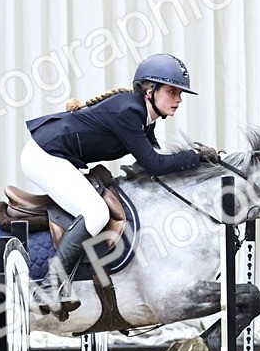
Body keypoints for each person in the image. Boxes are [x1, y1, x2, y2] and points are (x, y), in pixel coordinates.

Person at [21, 53, 219, 318]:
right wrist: (195, 156)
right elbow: (155, 165)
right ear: (150, 90)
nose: (179, 99)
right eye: (172, 91)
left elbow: (158, 165)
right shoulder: (129, 112)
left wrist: (201, 164)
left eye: (180, 93)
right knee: (96, 213)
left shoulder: (143, 118)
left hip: (56, 156)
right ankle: (49, 285)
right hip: (43, 156)